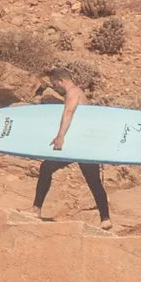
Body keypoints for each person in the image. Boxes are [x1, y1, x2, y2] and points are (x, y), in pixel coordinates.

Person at [31, 73, 110, 225]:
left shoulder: (73, 93)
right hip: (84, 144)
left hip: (77, 146)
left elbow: (69, 113)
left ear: (61, 81)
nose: (55, 88)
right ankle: (105, 219)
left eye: (55, 84)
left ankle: (36, 209)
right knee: (94, 181)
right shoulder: (80, 93)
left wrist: (60, 136)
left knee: (46, 167)